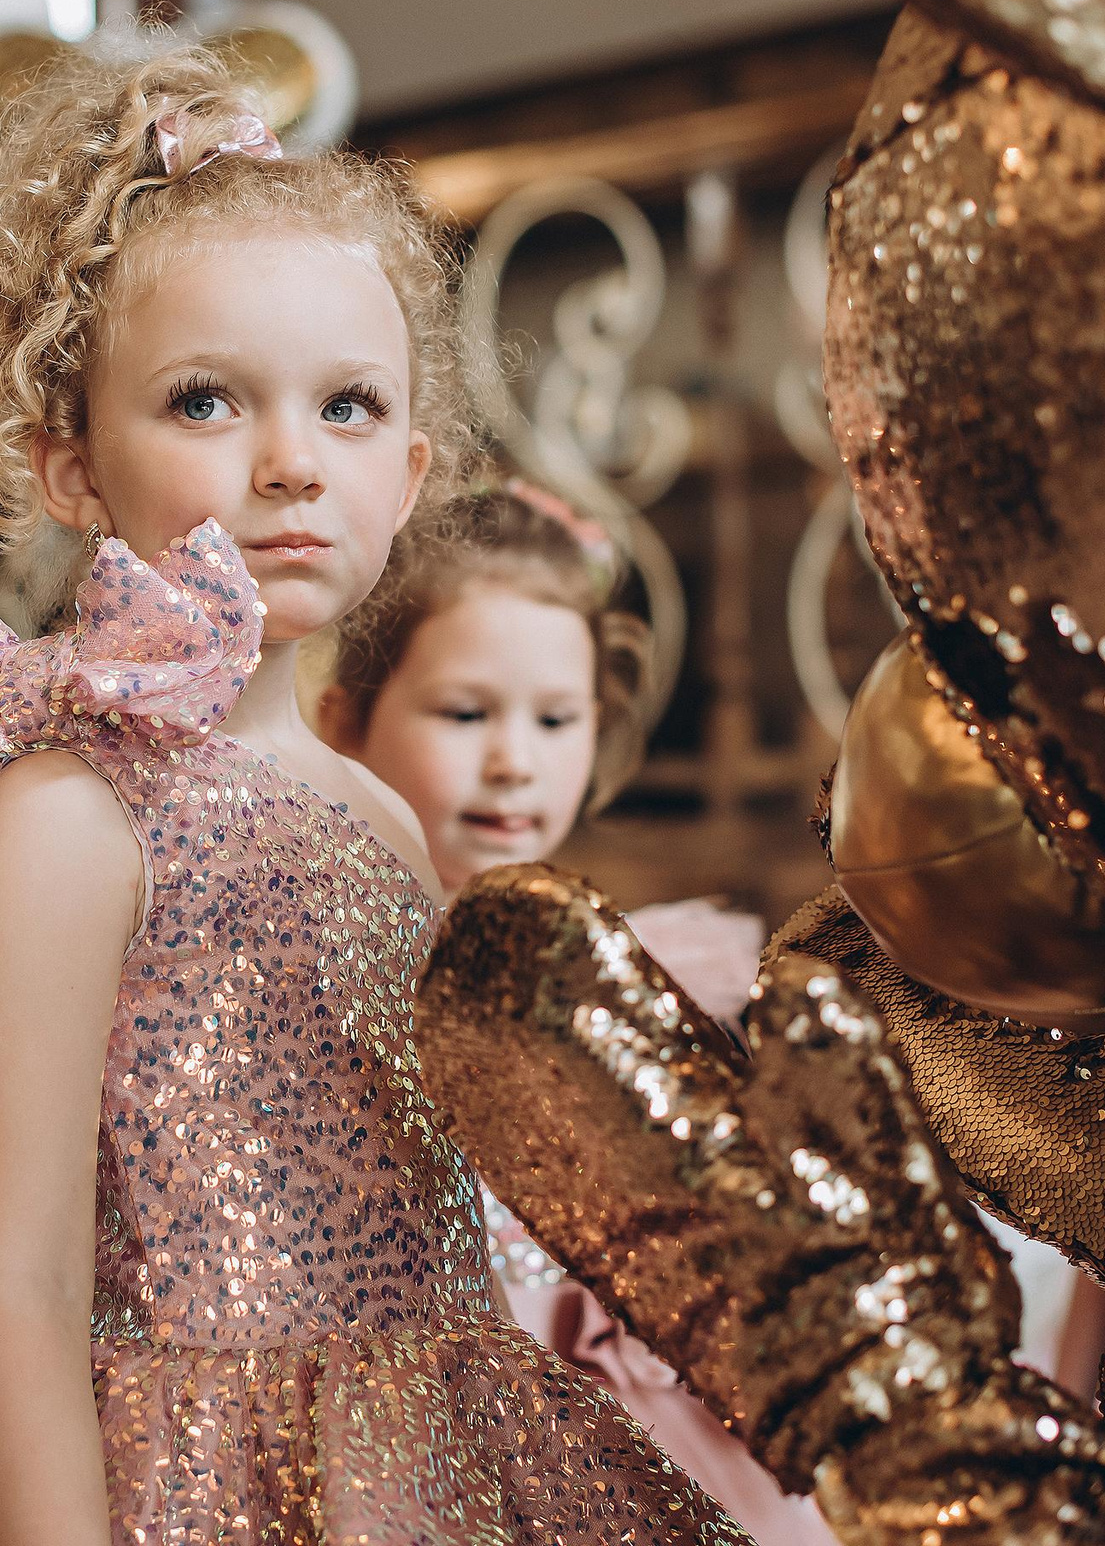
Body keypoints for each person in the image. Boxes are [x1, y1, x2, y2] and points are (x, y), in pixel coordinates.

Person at [0, 46, 745, 1545]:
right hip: (179, 1486)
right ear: (70, 464)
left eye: (349, 407)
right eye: (205, 401)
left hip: (433, 1476)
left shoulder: (385, 815)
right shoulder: (72, 815)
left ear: (412, 470)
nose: (291, 464)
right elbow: (15, 1288)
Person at [318, 477, 837, 1546]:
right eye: (465, 713)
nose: (515, 759)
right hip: (407, 1438)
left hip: (621, 1437)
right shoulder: (319, 984)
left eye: (556, 719)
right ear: (345, 720)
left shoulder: (641, 986)